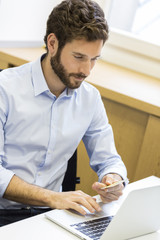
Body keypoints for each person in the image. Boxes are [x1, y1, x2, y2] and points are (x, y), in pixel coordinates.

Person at [0, 0, 128, 226]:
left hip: (51, 216)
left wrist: (114, 179)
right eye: (79, 57)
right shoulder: (5, 89)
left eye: (94, 59)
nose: (87, 71)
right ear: (52, 43)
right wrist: (53, 197)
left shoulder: (90, 98)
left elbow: (109, 159)